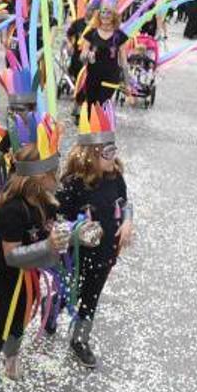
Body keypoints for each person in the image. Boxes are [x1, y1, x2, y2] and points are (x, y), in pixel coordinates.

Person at [0, 144, 69, 392]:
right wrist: (48, 245)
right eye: (54, 173)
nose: (58, 178)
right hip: (2, 277)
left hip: (29, 274)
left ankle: (12, 355)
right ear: (38, 177)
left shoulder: (46, 202)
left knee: (20, 320)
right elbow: (11, 255)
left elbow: (48, 232)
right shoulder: (13, 209)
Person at [57, 108, 132, 367]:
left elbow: (125, 203)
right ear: (90, 155)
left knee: (91, 296)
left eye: (114, 149)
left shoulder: (115, 177)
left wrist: (128, 222)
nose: (113, 156)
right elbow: (57, 220)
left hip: (105, 255)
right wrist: (76, 231)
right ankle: (52, 309)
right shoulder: (73, 184)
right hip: (77, 256)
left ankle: (80, 339)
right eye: (107, 151)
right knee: (67, 292)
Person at [77, 5, 125, 109]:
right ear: (99, 16)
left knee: (101, 104)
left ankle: (101, 124)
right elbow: (82, 57)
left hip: (111, 76)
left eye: (109, 13)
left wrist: (127, 82)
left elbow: (123, 61)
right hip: (93, 75)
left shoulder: (119, 35)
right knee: (91, 105)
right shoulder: (91, 34)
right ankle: (90, 124)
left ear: (114, 16)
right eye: (103, 13)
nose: (105, 15)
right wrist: (87, 55)